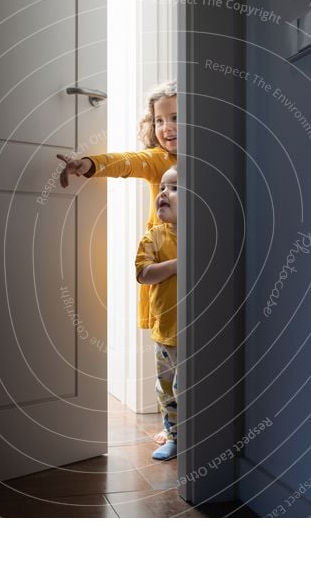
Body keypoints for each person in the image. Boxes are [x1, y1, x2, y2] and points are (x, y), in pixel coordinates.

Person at [56, 80, 177, 446]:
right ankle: (174, 426)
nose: (166, 128)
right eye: (159, 121)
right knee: (168, 350)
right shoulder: (159, 160)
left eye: (176, 117)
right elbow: (127, 161)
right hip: (168, 270)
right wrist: (88, 164)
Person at [135, 166, 178, 460]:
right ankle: (174, 436)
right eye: (162, 187)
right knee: (168, 391)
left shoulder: (204, 234)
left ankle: (194, 433)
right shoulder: (154, 237)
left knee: (186, 387)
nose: (163, 193)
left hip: (197, 333)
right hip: (166, 333)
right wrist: (179, 263)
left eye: (174, 188)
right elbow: (143, 274)